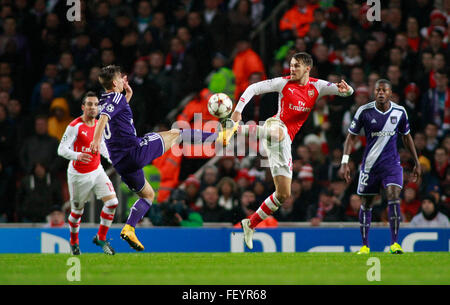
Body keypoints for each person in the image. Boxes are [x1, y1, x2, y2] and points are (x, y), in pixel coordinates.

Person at [90, 65, 228, 251]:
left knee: (148, 195)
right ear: (115, 83)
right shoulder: (115, 98)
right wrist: (96, 142)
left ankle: (129, 228)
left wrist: (127, 96)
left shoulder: (107, 100)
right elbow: (105, 118)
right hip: (134, 152)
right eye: (121, 78)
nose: (125, 79)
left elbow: (114, 116)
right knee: (177, 133)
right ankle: (219, 137)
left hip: (121, 164)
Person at [226, 52, 354, 249]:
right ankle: (234, 129)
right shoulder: (283, 83)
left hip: (286, 141)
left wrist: (348, 90)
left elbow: (344, 92)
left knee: (283, 194)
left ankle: (250, 223)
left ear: (307, 69)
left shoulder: (317, 86)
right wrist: (237, 111)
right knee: (278, 133)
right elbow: (253, 87)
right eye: (291, 65)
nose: (292, 69)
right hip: (275, 126)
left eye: (296, 66)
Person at [339, 79, 422, 255]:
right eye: (378, 90)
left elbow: (407, 138)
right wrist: (345, 162)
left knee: (393, 197)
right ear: (373, 92)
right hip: (370, 166)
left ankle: (395, 243)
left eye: (384, 90)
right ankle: (365, 246)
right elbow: (351, 137)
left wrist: (416, 161)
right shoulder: (364, 111)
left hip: (392, 165)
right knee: (366, 203)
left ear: (390, 93)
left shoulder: (399, 111)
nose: (381, 93)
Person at [58, 91, 118, 256]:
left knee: (112, 202)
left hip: (97, 170)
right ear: (83, 107)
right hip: (78, 175)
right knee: (77, 212)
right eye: (90, 104)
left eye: (96, 104)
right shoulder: (75, 126)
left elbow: (102, 146)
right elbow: (61, 149)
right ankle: (74, 242)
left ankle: (101, 237)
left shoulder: (100, 124)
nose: (93, 107)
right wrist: (77, 155)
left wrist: (114, 160)